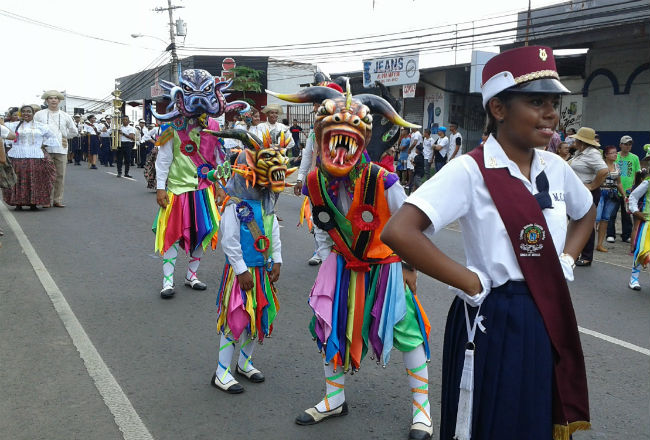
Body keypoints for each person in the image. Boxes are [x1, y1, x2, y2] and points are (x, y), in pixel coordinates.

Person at [382, 45, 593, 440]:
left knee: (535, 415)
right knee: (494, 420)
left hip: (546, 310)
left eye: (554, 102)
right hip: (494, 316)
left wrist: (566, 256)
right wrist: (469, 281)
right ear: (498, 108)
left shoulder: (556, 167)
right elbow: (399, 231)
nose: (551, 113)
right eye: (536, 101)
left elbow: (586, 212)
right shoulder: (469, 171)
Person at [268, 81, 433, 440]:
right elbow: (324, 230)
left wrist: (409, 267)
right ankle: (334, 398)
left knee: (407, 332)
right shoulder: (314, 181)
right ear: (321, 136)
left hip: (385, 267)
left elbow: (409, 226)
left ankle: (423, 413)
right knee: (330, 327)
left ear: (363, 139)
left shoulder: (385, 180)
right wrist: (328, 266)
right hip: (343, 266)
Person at [152, 68, 248, 299]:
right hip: (177, 190)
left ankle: (191, 276)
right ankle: (167, 281)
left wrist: (220, 184)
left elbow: (218, 159)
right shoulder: (171, 126)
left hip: (203, 191)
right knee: (172, 235)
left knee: (202, 233)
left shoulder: (214, 127)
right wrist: (161, 188)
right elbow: (163, 160)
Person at [210, 128, 292, 394]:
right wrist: (242, 270)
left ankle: (244, 363)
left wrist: (276, 259)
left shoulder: (267, 203)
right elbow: (230, 241)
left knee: (258, 316)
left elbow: (273, 231)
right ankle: (222, 371)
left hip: (263, 271)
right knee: (235, 318)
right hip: (242, 274)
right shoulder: (236, 203)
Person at [2, 104, 56, 210]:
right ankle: (18, 203)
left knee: (35, 179)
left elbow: (52, 136)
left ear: (33, 113)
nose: (26, 113)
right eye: (24, 111)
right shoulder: (13, 125)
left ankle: (33, 203)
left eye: (29, 111)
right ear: (20, 114)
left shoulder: (41, 126)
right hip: (17, 156)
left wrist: (42, 145)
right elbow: (4, 134)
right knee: (17, 179)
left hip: (36, 156)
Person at [569, 127, 608, 266]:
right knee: (577, 222)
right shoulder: (581, 152)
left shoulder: (592, 154)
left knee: (586, 223)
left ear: (581, 141)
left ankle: (586, 256)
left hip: (588, 192)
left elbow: (604, 171)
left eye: (576, 139)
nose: (574, 140)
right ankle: (577, 252)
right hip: (579, 191)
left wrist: (592, 185)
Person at [34, 90, 78, 208]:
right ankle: (46, 199)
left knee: (60, 175)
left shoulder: (65, 115)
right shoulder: (39, 115)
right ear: (46, 100)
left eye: (56, 98)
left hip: (61, 150)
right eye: (51, 98)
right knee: (45, 175)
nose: (53, 100)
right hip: (44, 149)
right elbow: (34, 130)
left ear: (59, 101)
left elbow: (74, 131)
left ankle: (57, 199)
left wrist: (63, 137)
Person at [607, 135, 639, 244]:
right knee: (612, 213)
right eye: (625, 144)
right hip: (614, 189)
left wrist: (635, 187)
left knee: (626, 214)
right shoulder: (615, 156)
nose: (628, 146)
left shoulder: (634, 158)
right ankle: (610, 234)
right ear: (620, 144)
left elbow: (637, 173)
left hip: (629, 190)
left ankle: (626, 235)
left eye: (630, 144)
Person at [627, 147, 650, 290]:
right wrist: (636, 212)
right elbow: (633, 197)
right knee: (642, 250)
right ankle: (633, 278)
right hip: (648, 223)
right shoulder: (647, 182)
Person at [595, 146, 625, 252]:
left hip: (612, 194)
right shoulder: (600, 165)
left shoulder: (617, 166)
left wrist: (624, 196)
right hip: (600, 191)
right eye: (612, 153)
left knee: (606, 219)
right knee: (597, 217)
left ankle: (599, 244)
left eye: (616, 153)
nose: (615, 155)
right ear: (606, 155)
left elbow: (619, 183)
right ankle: (587, 242)